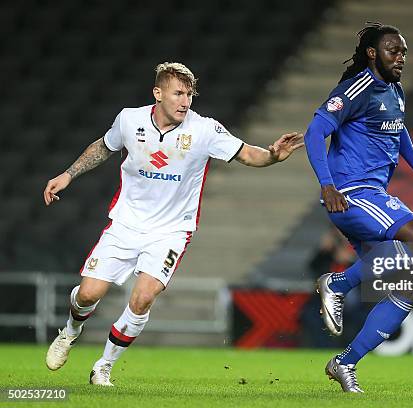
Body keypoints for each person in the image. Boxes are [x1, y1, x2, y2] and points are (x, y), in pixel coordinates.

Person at [43, 62, 303, 386]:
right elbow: (103, 147)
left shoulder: (205, 130)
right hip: (126, 222)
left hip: (171, 230)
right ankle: (70, 332)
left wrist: (272, 155)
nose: (185, 101)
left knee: (143, 297)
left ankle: (104, 366)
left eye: (189, 94)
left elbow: (248, 154)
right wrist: (68, 174)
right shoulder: (129, 119)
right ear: (158, 93)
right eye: (178, 93)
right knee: (87, 294)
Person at [304, 23, 413, 393]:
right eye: (392, 51)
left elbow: (398, 130)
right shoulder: (357, 88)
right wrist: (327, 183)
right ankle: (337, 283)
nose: (400, 59)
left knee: (410, 285)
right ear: (372, 53)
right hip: (352, 193)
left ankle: (344, 363)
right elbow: (314, 132)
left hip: (371, 194)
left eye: (403, 53)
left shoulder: (395, 90)